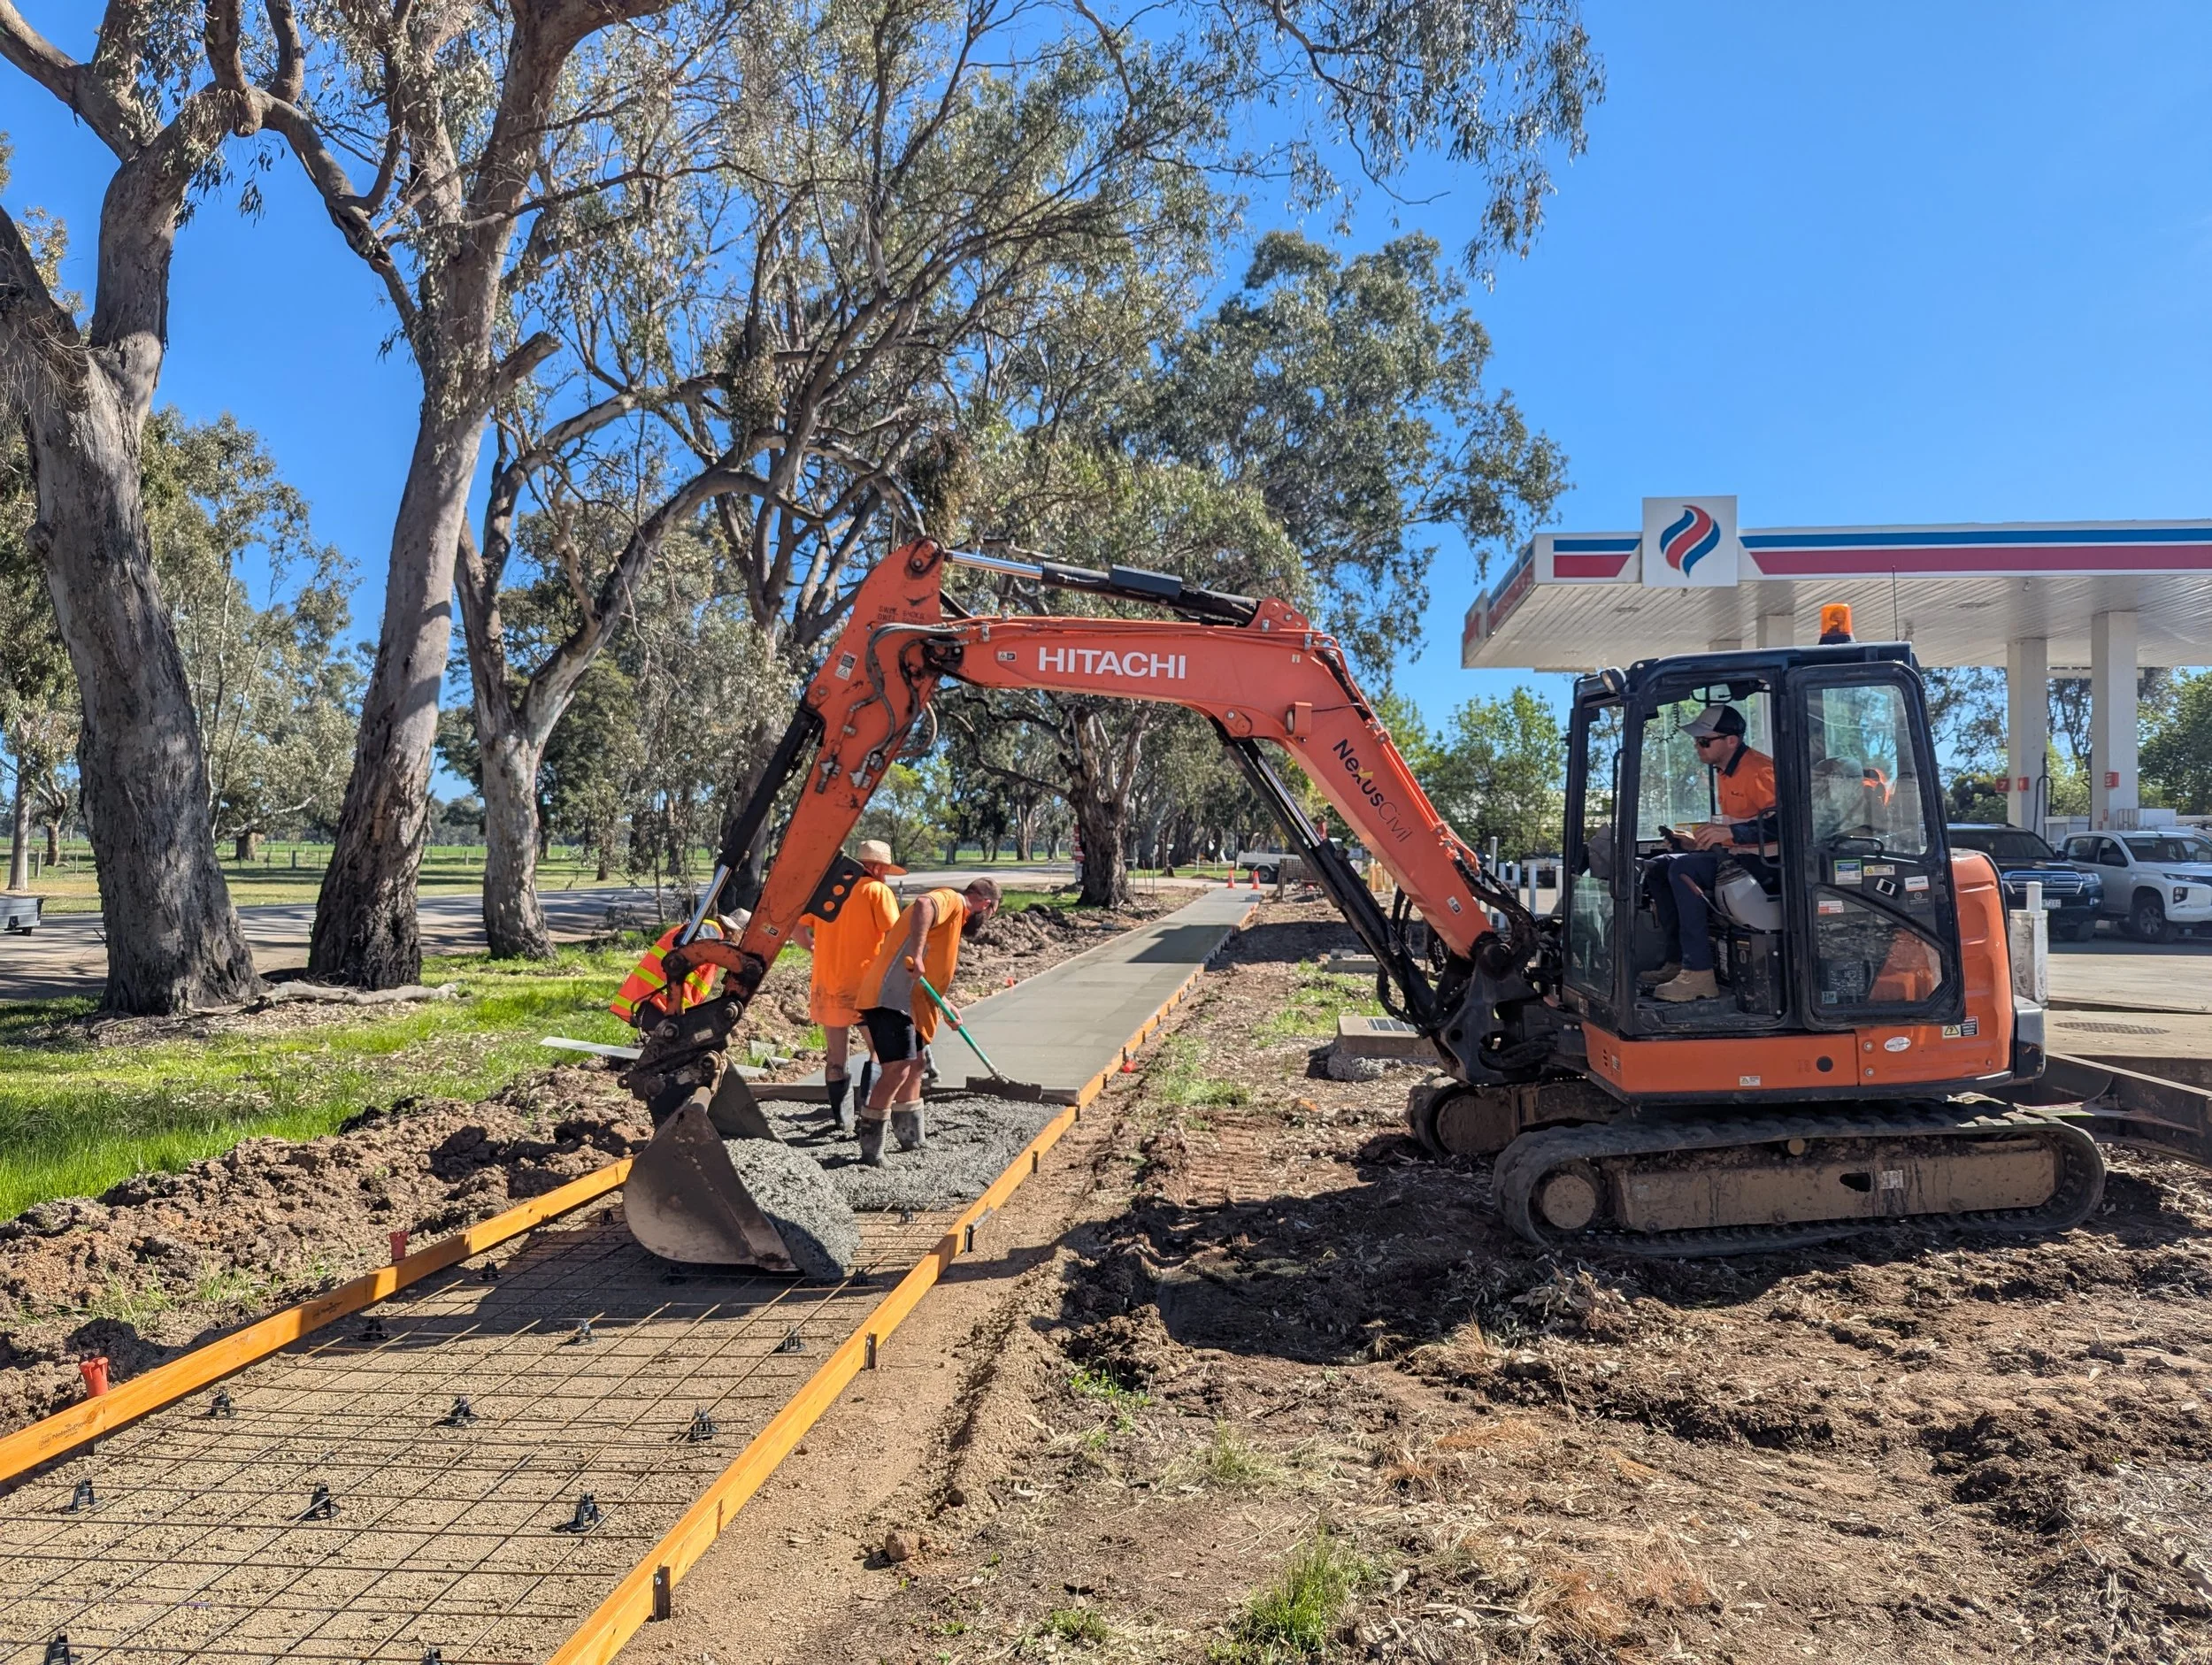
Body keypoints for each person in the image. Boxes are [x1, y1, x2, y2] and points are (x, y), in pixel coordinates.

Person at [852, 878, 1002, 1163]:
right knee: (897, 1069)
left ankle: (910, 1137)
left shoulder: (954, 921)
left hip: (911, 1001)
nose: (987, 919)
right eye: (992, 913)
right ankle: (871, 1149)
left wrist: (945, 1005)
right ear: (986, 903)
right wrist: (915, 951)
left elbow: (929, 975)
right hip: (890, 997)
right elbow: (923, 904)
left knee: (918, 1064)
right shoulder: (953, 901)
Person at [1640, 704, 1777, 1003]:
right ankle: (1677, 962)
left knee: (1683, 870)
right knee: (1660, 866)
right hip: (1742, 855)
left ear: (1732, 741)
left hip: (1768, 866)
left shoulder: (1760, 771)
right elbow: (1736, 826)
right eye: (1697, 741)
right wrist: (1694, 842)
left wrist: (1732, 835)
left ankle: (1699, 973)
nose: (1697, 746)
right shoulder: (1725, 773)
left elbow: (1786, 825)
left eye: (1704, 741)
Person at [795, 840, 904, 1131]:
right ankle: (868, 1116)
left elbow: (797, 926)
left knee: (836, 1058)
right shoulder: (877, 891)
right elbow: (895, 936)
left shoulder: (831, 892)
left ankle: (841, 1120)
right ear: (878, 868)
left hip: (828, 987)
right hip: (865, 988)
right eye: (885, 870)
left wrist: (812, 947)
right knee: (879, 1050)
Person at [610, 910, 749, 1025]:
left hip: (655, 1002)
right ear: (736, 932)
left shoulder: (714, 940)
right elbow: (685, 949)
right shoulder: (712, 929)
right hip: (656, 1002)